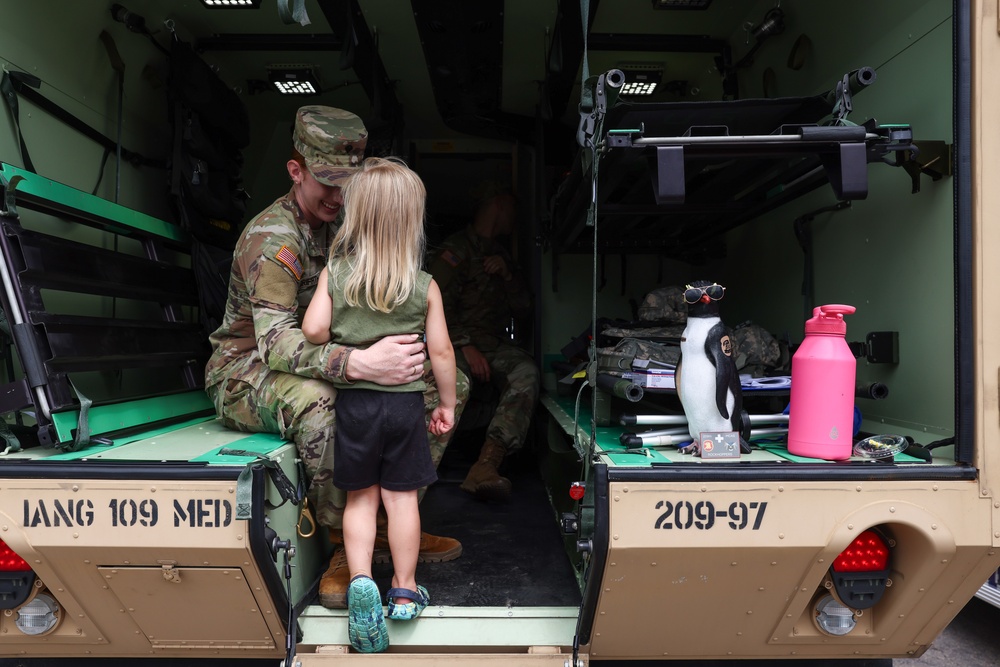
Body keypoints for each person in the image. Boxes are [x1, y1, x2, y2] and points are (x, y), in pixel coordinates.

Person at [204, 106, 468, 611]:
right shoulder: (274, 239)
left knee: (440, 384)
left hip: (324, 354)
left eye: (347, 183)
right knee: (326, 403)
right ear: (295, 170)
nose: (337, 195)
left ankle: (392, 521)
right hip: (247, 371)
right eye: (325, 181)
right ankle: (343, 553)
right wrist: (360, 364)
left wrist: (399, 355)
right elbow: (276, 343)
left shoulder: (346, 223)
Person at [302, 157, 455, 652]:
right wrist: (446, 404)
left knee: (360, 499)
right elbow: (442, 352)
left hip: (356, 410)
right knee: (401, 500)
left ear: (356, 217)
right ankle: (405, 590)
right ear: (413, 220)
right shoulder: (424, 283)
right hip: (405, 409)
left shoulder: (337, 274)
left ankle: (362, 580)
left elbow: (313, 331)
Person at [427, 183, 539, 501]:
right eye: (512, 211)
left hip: (494, 345)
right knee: (453, 381)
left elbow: (525, 309)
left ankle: (486, 465)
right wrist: (465, 344)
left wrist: (507, 276)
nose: (514, 220)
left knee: (526, 372)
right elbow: (431, 304)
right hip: (453, 346)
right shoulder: (455, 250)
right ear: (499, 205)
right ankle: (420, 470)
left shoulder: (501, 255)